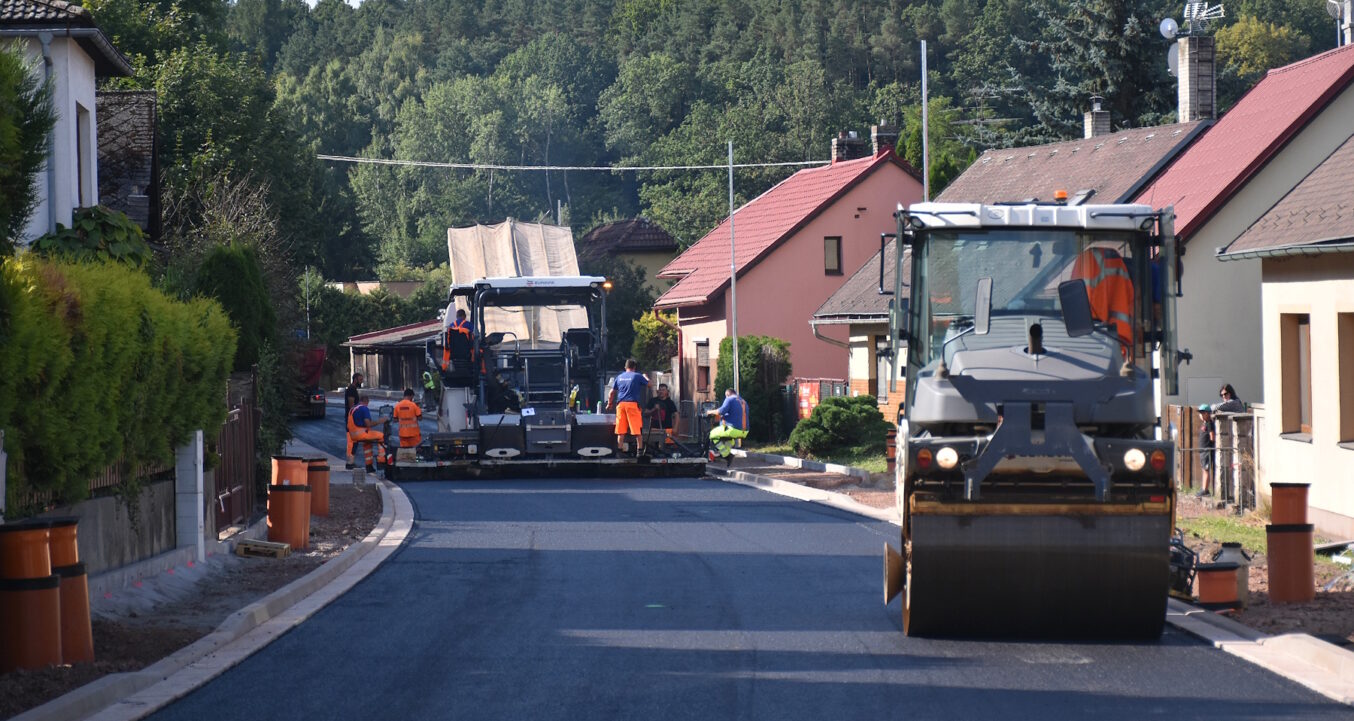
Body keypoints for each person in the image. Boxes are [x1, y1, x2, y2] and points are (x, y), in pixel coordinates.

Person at [1071, 246, 1134, 348]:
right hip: (1118, 339)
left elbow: (1073, 302)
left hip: (1090, 338)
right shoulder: (1116, 262)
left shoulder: (1085, 262)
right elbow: (1131, 301)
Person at [606, 359, 649, 454]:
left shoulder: (619, 377)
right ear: (634, 367)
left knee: (621, 431)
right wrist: (646, 377)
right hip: (632, 405)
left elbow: (611, 392)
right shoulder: (637, 376)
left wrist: (609, 403)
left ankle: (619, 452)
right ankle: (640, 452)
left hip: (620, 405)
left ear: (625, 367)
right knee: (637, 431)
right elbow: (649, 385)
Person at [707, 387, 749, 465]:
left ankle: (726, 455)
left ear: (727, 394)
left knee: (712, 434)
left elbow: (721, 411)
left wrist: (709, 412)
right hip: (745, 431)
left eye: (726, 396)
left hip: (732, 430)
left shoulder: (729, 399)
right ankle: (725, 453)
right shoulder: (743, 401)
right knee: (728, 438)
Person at [347, 395, 385, 472]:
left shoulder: (353, 409)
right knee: (382, 436)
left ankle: (369, 466)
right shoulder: (364, 408)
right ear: (367, 402)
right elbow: (368, 424)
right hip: (362, 434)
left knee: (368, 443)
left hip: (353, 435)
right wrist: (379, 421)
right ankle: (381, 461)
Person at [343, 373, 363, 462]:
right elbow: (351, 405)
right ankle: (350, 462)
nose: (361, 382)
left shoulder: (353, 389)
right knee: (352, 441)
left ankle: (351, 461)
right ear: (355, 380)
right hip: (351, 419)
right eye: (360, 380)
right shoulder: (351, 389)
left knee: (353, 441)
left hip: (351, 418)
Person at [1197, 404, 1215, 496]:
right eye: (1200, 413)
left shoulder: (1209, 423)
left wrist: (1210, 445)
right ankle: (1203, 488)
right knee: (1204, 469)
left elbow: (1212, 436)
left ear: (1207, 413)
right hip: (1202, 450)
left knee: (1206, 469)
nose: (1200, 415)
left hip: (1207, 450)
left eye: (1202, 413)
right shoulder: (1204, 423)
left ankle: (1205, 489)